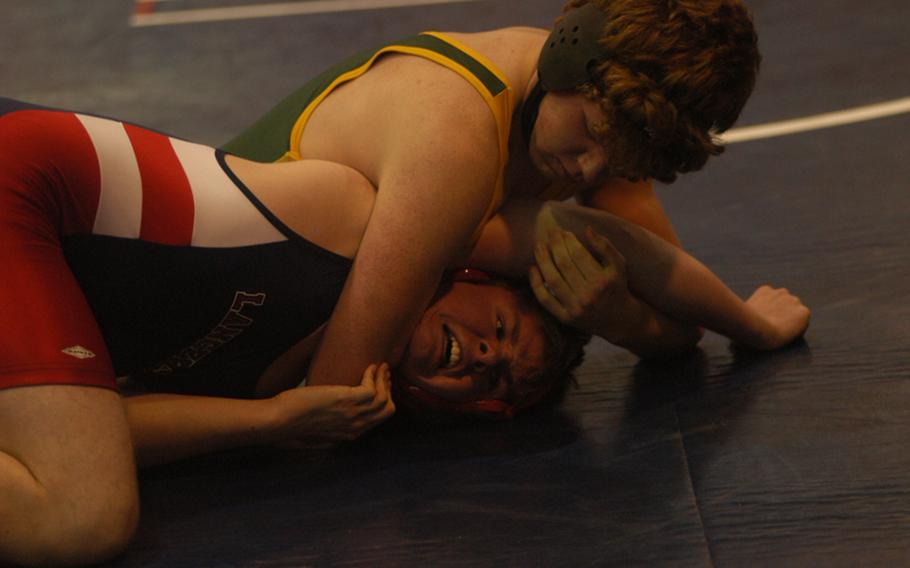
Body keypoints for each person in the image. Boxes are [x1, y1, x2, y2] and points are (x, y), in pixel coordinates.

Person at [0, 94, 809, 565]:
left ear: (466, 418)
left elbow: (103, 426)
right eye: (497, 329)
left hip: (28, 251)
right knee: (86, 517)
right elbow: (619, 245)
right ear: (463, 278)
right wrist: (747, 324)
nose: (487, 356)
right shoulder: (385, 236)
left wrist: (271, 420)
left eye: (500, 381)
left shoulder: (314, 396)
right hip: (26, 178)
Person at [221, 0, 763, 397]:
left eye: (623, 160)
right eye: (593, 135)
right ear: (565, 52)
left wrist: (617, 315)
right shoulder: (451, 136)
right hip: (199, 334)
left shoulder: (608, 114)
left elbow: (681, 327)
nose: (591, 169)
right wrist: (745, 325)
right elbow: (336, 394)